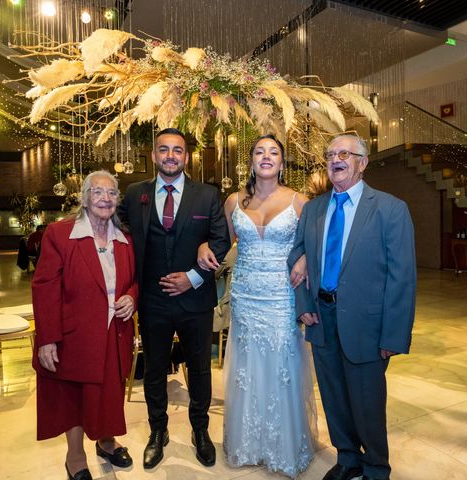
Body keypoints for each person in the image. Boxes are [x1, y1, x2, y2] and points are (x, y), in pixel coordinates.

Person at [288, 134, 416, 480]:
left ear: (363, 161)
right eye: (330, 154)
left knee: (367, 401)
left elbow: (402, 278)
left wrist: (394, 334)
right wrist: (303, 306)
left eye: (344, 153)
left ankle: (375, 466)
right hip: (321, 317)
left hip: (368, 324)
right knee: (333, 395)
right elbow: (296, 257)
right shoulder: (314, 209)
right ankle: (347, 458)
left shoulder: (390, 209)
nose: (335, 159)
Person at [197, 134, 316, 478]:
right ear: (250, 161)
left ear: (282, 161)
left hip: (282, 295)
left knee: (282, 364)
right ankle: (249, 443)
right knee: (247, 368)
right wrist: (202, 244)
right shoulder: (234, 201)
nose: (266, 156)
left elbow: (312, 242)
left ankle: (284, 446)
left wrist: (306, 257)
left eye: (273, 152)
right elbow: (219, 241)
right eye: (259, 151)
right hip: (246, 296)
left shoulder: (299, 202)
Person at [119, 128, 231, 469]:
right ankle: (158, 432)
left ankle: (200, 431)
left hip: (195, 299)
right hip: (152, 300)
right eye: (164, 150)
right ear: (153, 156)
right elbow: (118, 235)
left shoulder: (207, 195)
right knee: (153, 370)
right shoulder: (134, 193)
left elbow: (221, 240)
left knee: (199, 369)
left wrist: (193, 277)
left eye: (177, 150)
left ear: (186, 156)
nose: (170, 155)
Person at [32, 170, 138, 480]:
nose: (105, 198)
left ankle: (106, 442)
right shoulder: (60, 234)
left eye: (112, 193)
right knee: (74, 397)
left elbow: (134, 281)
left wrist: (132, 298)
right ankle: (75, 456)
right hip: (74, 334)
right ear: (85, 198)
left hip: (114, 332)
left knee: (110, 390)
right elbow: (44, 287)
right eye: (98, 192)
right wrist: (47, 339)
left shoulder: (125, 239)